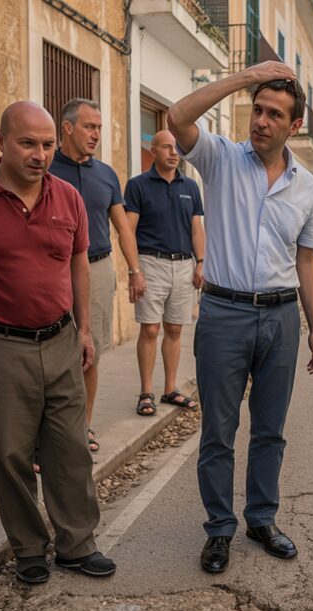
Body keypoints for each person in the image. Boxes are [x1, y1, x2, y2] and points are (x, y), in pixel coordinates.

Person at [0, 101, 115, 584]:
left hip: (59, 339)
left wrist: (85, 330)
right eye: (28, 143)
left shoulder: (68, 197)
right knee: (11, 455)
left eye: (48, 144)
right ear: (1, 141)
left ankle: (77, 544)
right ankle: (30, 548)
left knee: (70, 448)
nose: (40, 154)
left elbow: (79, 263)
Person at [167, 61, 313, 574]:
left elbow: (306, 259)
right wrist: (244, 77)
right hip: (223, 312)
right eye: (257, 110)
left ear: (293, 125)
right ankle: (219, 529)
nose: (261, 120)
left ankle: (262, 519)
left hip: (281, 319)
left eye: (273, 113)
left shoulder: (307, 187)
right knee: (218, 429)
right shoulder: (219, 158)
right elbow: (176, 116)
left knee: (270, 430)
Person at [48, 98, 140, 454]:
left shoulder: (107, 174)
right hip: (52, 268)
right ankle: (50, 431)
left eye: (100, 127)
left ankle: (83, 427)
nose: (97, 134)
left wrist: (134, 270)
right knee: (52, 352)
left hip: (98, 269)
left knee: (92, 350)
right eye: (90, 127)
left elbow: (122, 228)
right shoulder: (46, 169)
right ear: (67, 128)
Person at [124, 130, 205, 417]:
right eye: (168, 147)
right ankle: (146, 393)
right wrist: (135, 271)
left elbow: (197, 228)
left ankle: (170, 389)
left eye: (178, 148)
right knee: (150, 329)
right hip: (151, 263)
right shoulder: (137, 186)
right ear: (154, 150)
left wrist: (201, 261)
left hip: (184, 265)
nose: (174, 153)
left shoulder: (191, 187)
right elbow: (128, 232)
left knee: (174, 329)